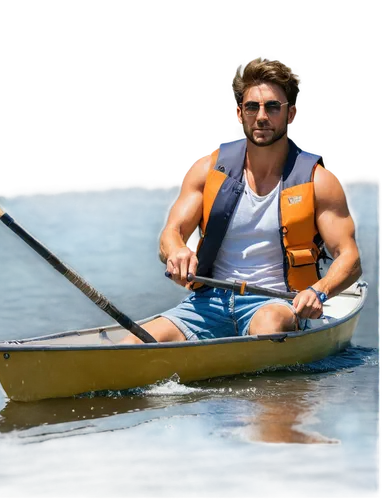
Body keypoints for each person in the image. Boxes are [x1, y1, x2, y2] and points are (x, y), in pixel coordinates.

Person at [120, 55, 362, 344]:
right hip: (208, 303)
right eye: (252, 107)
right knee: (134, 343)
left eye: (273, 107)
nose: (261, 116)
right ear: (239, 114)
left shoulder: (318, 180)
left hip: (279, 304)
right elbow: (171, 234)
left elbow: (350, 258)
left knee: (269, 325)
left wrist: (318, 291)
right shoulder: (208, 169)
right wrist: (176, 253)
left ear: (292, 115)